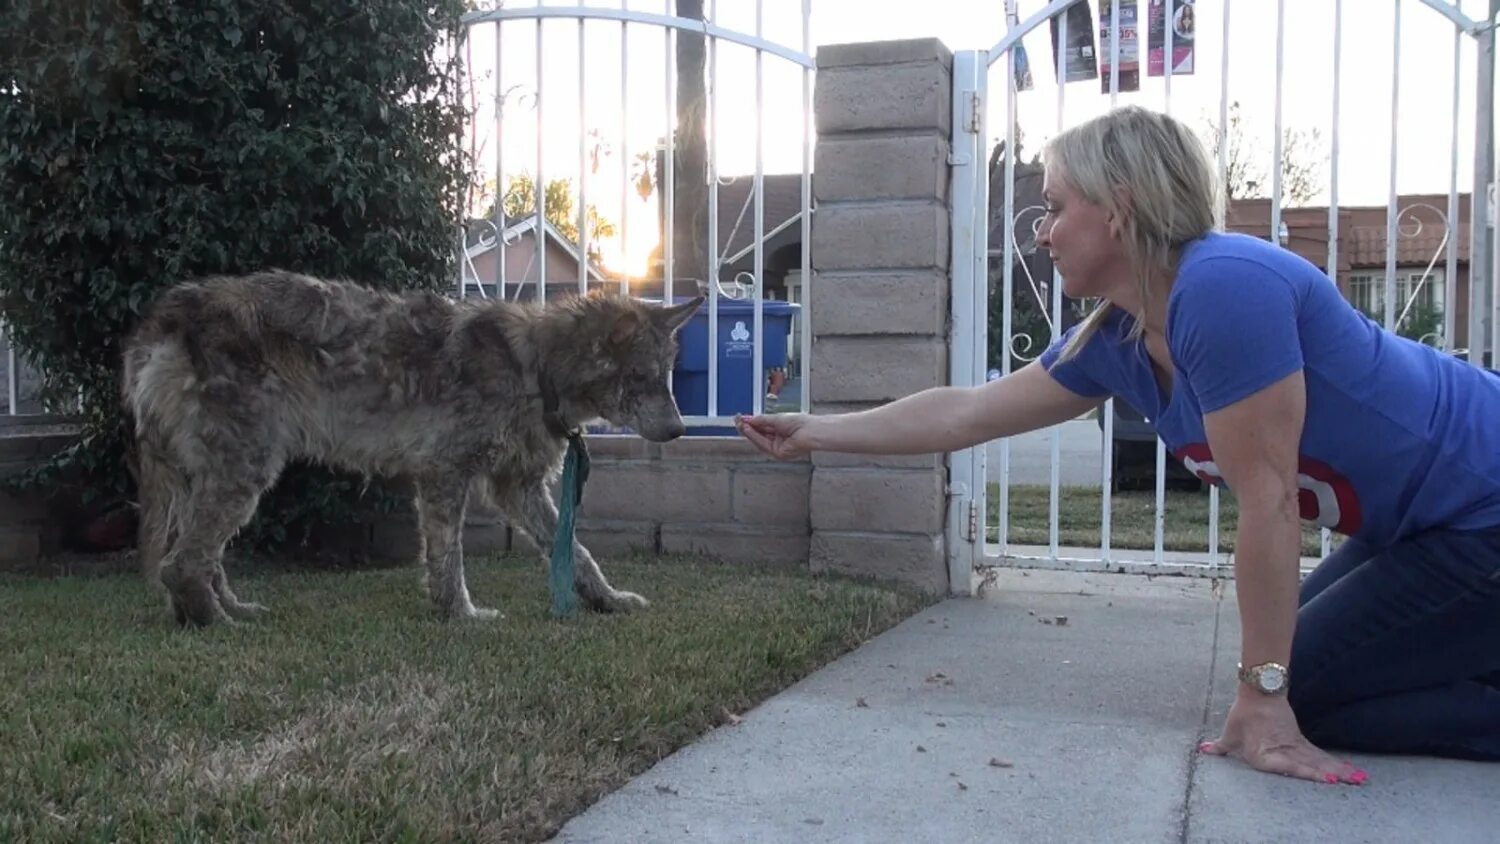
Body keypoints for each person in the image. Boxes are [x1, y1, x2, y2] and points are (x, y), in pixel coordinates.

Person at [736, 104, 1500, 785]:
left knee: (1300, 691)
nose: (1041, 231)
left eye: (1054, 206)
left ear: (1119, 207)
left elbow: (1270, 506)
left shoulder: (1225, 287)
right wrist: (814, 431)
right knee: (1293, 670)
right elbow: (967, 413)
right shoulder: (1119, 336)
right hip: (1431, 526)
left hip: (1484, 512)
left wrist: (1263, 701)